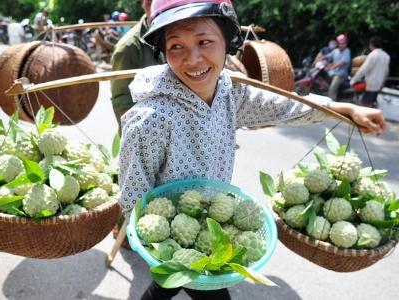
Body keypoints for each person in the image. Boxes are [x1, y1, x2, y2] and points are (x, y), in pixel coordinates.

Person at [119, 1, 386, 299]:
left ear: (228, 43)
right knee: (181, 284)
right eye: (175, 46)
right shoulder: (150, 118)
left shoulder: (230, 94)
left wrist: (341, 107)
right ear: (162, 51)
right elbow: (133, 190)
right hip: (173, 231)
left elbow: (284, 107)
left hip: (213, 219)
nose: (193, 59)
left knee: (170, 286)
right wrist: (154, 240)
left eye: (204, 42)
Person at [110, 0, 164, 131]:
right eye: (150, 2)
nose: (156, 7)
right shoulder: (127, 48)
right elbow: (123, 104)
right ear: (143, 4)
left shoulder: (184, 36)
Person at [350, 36, 390, 108]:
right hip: (378, 85)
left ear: (371, 45)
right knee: (370, 104)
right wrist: (382, 84)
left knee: (365, 105)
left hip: (370, 84)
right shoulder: (386, 56)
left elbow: (363, 69)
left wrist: (353, 80)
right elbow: (386, 72)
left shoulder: (372, 55)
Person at [324, 34, 351, 101]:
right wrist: (320, 59)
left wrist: (332, 67)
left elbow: (342, 62)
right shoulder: (335, 51)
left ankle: (332, 106)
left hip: (341, 74)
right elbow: (327, 56)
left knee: (332, 89)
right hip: (334, 73)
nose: (343, 45)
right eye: (341, 43)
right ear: (338, 44)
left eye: (344, 43)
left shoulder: (347, 51)